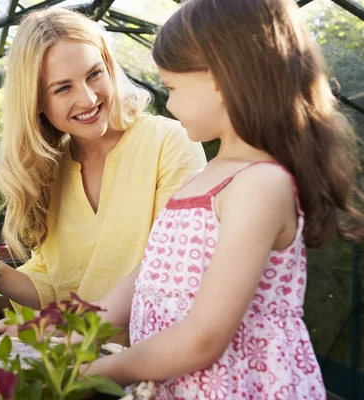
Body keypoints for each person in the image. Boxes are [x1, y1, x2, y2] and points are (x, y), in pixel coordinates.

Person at [81, 0, 364, 397]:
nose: (171, 102)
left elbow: (204, 338)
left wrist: (94, 372)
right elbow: (141, 282)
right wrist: (58, 335)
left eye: (173, 87)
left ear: (222, 78)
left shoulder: (259, 185)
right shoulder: (202, 179)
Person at [0, 7, 206, 336]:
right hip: (74, 365)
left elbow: (168, 271)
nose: (89, 98)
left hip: (152, 359)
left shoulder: (169, 143)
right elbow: (53, 284)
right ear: (36, 101)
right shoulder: (48, 170)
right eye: (63, 88)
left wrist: (53, 329)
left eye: (94, 74)